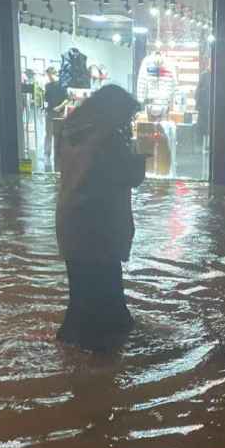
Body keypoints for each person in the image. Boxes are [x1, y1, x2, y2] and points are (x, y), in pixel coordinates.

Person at [55, 85, 146, 351]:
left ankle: (69, 357)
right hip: (99, 226)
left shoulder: (71, 132)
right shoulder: (107, 139)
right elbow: (128, 176)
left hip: (72, 221)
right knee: (106, 298)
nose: (128, 123)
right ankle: (100, 363)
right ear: (114, 112)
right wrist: (139, 159)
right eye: (127, 117)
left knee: (81, 297)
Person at [43, 67, 68, 169]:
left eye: (50, 74)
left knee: (59, 134)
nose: (49, 76)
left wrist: (59, 107)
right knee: (48, 134)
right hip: (50, 112)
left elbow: (67, 99)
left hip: (59, 113)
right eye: (48, 75)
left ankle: (59, 153)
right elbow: (46, 99)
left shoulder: (62, 85)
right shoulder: (47, 86)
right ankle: (47, 153)